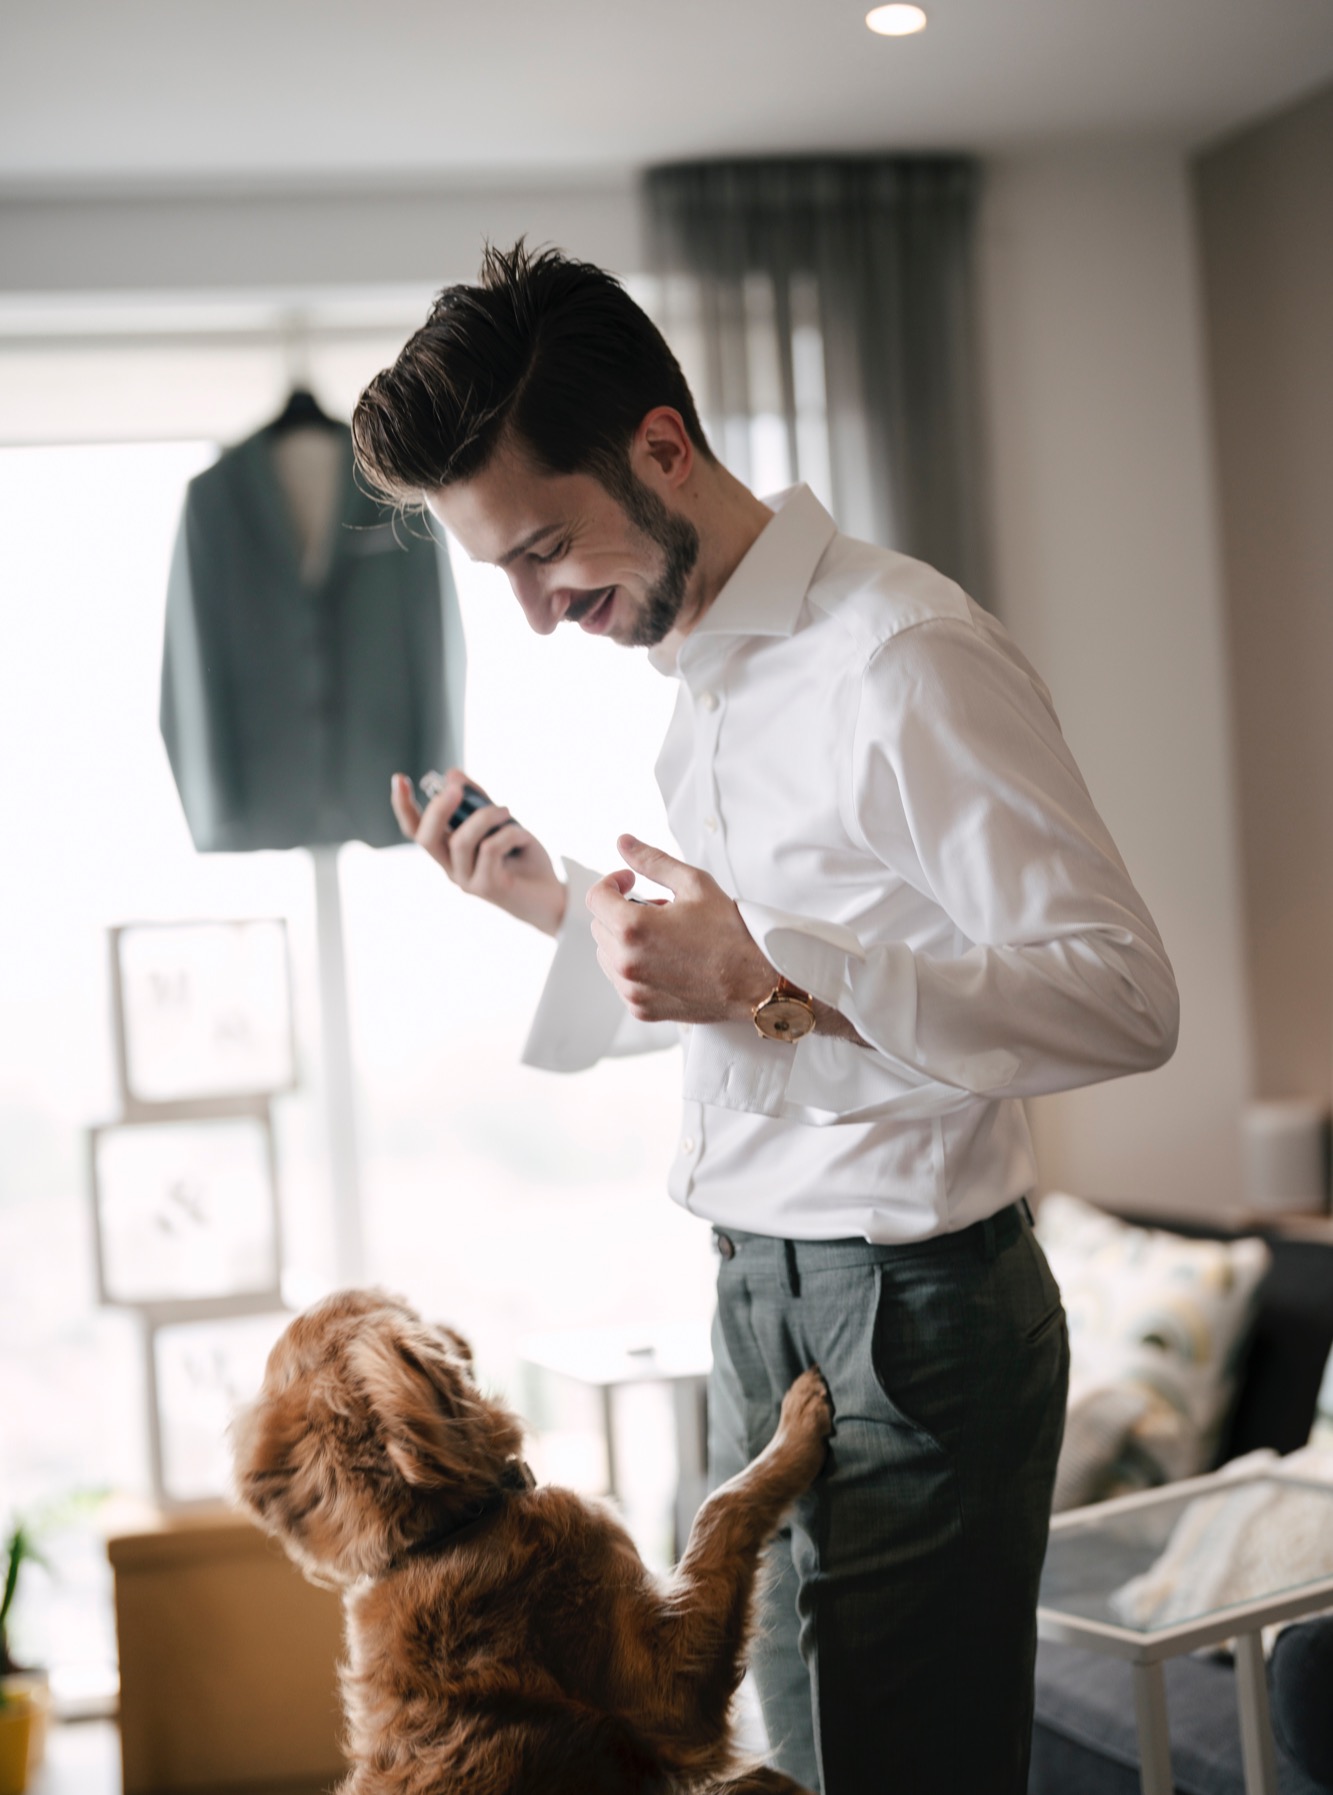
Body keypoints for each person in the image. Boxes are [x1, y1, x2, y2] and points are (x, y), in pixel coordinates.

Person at [351, 241, 1179, 1795]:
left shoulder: (902, 655)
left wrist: (766, 974)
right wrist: (558, 905)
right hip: (758, 1301)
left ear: (661, 447)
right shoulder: (706, 684)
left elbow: (1122, 998)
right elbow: (771, 1027)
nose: (536, 614)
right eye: (502, 576)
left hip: (911, 1319)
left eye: (544, 549)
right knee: (768, 1763)